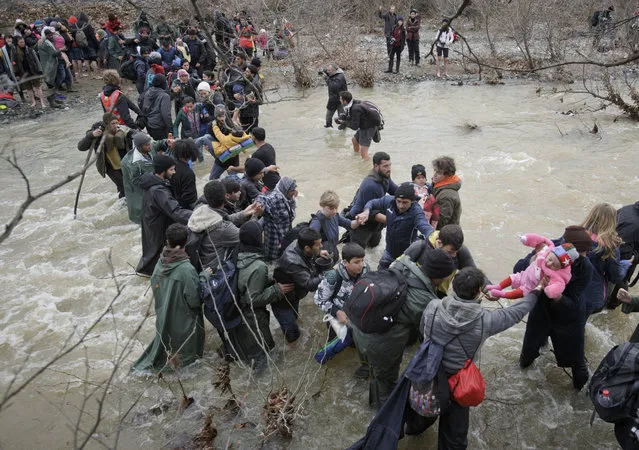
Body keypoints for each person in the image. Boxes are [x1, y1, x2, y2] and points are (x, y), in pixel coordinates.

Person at [416, 267, 543, 448]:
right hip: (458, 383)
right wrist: (536, 291)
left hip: (428, 372)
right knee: (454, 438)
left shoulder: (433, 306)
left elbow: (422, 331)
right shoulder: (486, 321)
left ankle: (415, 431)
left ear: (453, 286)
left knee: (420, 413)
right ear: (478, 292)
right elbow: (516, 313)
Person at [351, 249, 455, 408]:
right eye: (447, 275)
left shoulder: (402, 263)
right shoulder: (424, 301)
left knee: (372, 369)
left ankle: (365, 379)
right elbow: (434, 332)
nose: (449, 278)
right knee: (387, 383)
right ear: (438, 277)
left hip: (360, 330)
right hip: (380, 346)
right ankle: (382, 416)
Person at [519, 225, 595, 390]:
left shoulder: (585, 267)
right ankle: (522, 380)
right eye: (582, 252)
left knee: (577, 363)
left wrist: (558, 296)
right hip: (541, 313)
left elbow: (574, 300)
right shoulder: (549, 249)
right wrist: (533, 261)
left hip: (569, 318)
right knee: (528, 353)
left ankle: (581, 396)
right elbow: (519, 270)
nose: (584, 256)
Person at [132, 223, 204, 372]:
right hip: (185, 326)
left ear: (167, 241)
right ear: (187, 240)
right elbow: (195, 301)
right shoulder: (187, 270)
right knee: (188, 365)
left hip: (163, 319)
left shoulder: (160, 263)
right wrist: (204, 276)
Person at [236, 221, 294, 369]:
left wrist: (268, 281)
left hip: (239, 314)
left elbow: (245, 281)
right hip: (253, 318)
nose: (264, 235)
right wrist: (277, 290)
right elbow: (253, 299)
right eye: (261, 233)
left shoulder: (239, 255)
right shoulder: (259, 266)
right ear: (255, 238)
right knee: (263, 355)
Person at [314, 243, 370, 375]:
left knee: (355, 343)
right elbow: (318, 299)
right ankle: (326, 371)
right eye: (356, 262)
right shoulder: (333, 277)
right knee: (334, 344)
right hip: (335, 317)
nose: (361, 264)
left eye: (362, 260)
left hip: (355, 316)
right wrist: (337, 312)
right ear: (345, 262)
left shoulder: (366, 270)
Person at [136, 155, 192, 276]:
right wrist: (197, 214)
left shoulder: (151, 182)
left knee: (151, 252)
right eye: (171, 169)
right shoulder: (159, 191)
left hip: (152, 223)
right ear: (162, 171)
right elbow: (176, 212)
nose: (174, 172)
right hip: (159, 227)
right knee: (156, 255)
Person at [357, 183, 434, 269]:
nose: (401, 206)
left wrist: (434, 238)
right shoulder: (390, 201)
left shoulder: (416, 212)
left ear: (412, 201)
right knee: (379, 274)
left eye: (405, 202)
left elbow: (425, 228)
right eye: (399, 201)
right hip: (388, 251)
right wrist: (366, 211)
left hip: (405, 257)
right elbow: (372, 203)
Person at [186, 180, 257, 271]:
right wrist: (255, 216)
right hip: (216, 270)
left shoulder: (200, 211)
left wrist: (244, 213)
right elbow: (248, 236)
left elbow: (225, 219)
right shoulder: (224, 229)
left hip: (202, 262)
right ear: (225, 196)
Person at [274, 227, 328, 343]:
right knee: (293, 336)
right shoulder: (293, 261)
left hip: (294, 294)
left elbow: (308, 257)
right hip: (282, 301)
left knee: (295, 318)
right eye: (318, 245)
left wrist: (318, 253)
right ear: (307, 248)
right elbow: (309, 285)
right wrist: (327, 274)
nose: (322, 246)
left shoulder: (299, 243)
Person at [487, 235, 579, 299]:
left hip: (530, 286)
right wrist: (526, 239)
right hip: (524, 275)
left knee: (519, 292)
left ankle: (502, 294)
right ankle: (498, 286)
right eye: (550, 259)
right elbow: (540, 239)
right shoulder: (547, 249)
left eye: (554, 265)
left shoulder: (559, 274)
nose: (550, 264)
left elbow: (559, 284)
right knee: (512, 277)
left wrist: (551, 290)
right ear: (551, 253)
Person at [580, 203, 631, 317]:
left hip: (569, 290)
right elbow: (615, 276)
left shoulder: (573, 235)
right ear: (612, 222)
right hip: (591, 297)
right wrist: (625, 264)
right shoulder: (610, 247)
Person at [403, 224, 480, 298]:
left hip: (439, 295)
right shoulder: (420, 247)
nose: (454, 256)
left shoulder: (459, 251)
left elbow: (474, 274)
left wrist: (487, 289)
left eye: (456, 251)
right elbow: (396, 267)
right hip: (415, 293)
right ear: (439, 243)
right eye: (450, 252)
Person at [346, 151, 398, 249]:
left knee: (374, 247)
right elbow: (371, 213)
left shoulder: (384, 176)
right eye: (385, 166)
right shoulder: (370, 185)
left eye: (389, 165)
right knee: (357, 252)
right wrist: (393, 221)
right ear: (376, 166)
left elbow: (394, 190)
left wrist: (413, 196)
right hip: (361, 224)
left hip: (375, 223)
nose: (389, 169)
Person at [77, 112, 129, 198]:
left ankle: (122, 204)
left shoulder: (121, 130)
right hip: (110, 166)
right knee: (123, 186)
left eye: (117, 123)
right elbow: (81, 147)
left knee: (125, 186)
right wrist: (91, 135)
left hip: (122, 163)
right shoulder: (99, 133)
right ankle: (122, 205)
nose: (115, 125)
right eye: (113, 123)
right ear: (107, 124)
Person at [120, 132, 161, 224]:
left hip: (145, 187)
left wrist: (167, 142)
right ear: (139, 147)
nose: (149, 146)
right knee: (142, 213)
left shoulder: (148, 147)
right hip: (135, 191)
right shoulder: (133, 163)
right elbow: (137, 181)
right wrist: (157, 177)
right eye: (147, 145)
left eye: (149, 144)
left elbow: (157, 144)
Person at [257, 177, 298, 261]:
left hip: (284, 237)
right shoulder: (276, 198)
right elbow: (263, 199)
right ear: (285, 189)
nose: (294, 192)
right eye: (292, 190)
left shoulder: (287, 198)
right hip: (275, 241)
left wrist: (293, 199)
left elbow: (291, 213)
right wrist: (259, 204)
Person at [310, 190, 359, 259]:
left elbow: (350, 224)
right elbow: (309, 240)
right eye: (331, 208)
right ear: (323, 206)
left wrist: (358, 221)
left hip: (332, 248)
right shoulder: (317, 221)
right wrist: (319, 252)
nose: (334, 211)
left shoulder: (335, 216)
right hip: (322, 254)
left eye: (336, 208)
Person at [608, 201, 639, 309]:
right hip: (617, 267)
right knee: (617, 296)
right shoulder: (634, 225)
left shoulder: (628, 208)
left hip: (609, 260)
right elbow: (623, 252)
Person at [337, 91, 383, 161]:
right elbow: (351, 116)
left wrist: (344, 123)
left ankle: (367, 169)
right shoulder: (353, 103)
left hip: (368, 128)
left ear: (345, 101)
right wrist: (342, 118)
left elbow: (355, 127)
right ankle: (356, 157)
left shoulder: (355, 109)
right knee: (354, 140)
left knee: (363, 153)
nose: (340, 100)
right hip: (364, 125)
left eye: (340, 99)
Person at [209, 107, 250, 180]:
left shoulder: (231, 125)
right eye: (220, 116)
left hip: (233, 159)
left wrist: (245, 152)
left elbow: (240, 140)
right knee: (212, 179)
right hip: (221, 158)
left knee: (234, 181)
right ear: (216, 116)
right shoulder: (210, 126)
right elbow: (213, 142)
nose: (222, 118)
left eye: (223, 116)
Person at [13, 36, 46, 108]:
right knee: (29, 89)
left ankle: (42, 102)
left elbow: (36, 60)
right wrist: (16, 73)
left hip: (33, 71)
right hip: (23, 73)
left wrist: (40, 70)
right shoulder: (15, 52)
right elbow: (14, 64)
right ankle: (33, 102)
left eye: (23, 42)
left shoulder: (30, 50)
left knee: (38, 87)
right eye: (21, 42)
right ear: (17, 43)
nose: (23, 43)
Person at [432, 156, 461, 229]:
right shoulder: (441, 186)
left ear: (447, 175)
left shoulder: (447, 196)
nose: (434, 174)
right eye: (434, 170)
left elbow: (441, 222)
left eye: (438, 172)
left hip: (447, 235)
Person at [142, 73, 173, 140]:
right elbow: (166, 114)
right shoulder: (165, 96)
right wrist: (170, 128)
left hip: (150, 125)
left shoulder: (148, 92)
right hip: (160, 127)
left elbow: (144, 109)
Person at [171, 139, 199, 210]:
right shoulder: (188, 173)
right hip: (184, 209)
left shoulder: (170, 166)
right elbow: (190, 198)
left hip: (173, 204)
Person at [323, 63, 347, 128]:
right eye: (327, 70)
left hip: (341, 100)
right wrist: (323, 72)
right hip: (332, 100)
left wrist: (326, 78)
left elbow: (333, 86)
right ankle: (328, 128)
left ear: (334, 71)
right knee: (328, 117)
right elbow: (325, 70)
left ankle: (343, 130)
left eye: (329, 71)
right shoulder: (333, 73)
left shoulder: (340, 77)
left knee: (341, 117)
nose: (327, 72)